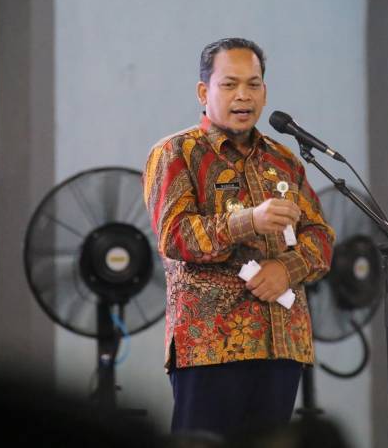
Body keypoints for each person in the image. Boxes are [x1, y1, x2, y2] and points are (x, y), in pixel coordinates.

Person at [143, 38, 335, 437]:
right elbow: (175, 236)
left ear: (265, 91)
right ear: (204, 92)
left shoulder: (284, 159)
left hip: (283, 344)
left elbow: (320, 236)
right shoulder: (177, 152)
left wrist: (286, 268)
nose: (243, 95)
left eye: (253, 84)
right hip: (212, 347)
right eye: (229, 84)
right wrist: (249, 220)